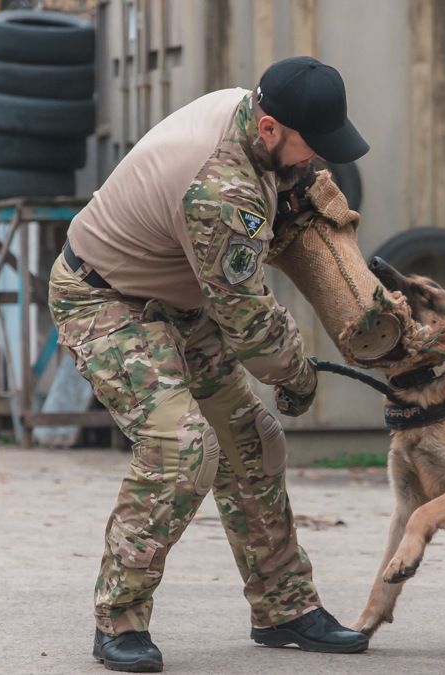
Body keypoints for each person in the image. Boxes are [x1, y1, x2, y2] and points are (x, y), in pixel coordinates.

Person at [48, 56, 371, 673]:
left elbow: (234, 286)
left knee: (253, 440)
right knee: (182, 447)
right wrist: (296, 376)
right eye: (309, 147)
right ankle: (119, 620)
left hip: (180, 300)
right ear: (271, 127)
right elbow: (248, 321)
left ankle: (284, 609)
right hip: (105, 299)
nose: (317, 161)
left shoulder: (247, 114)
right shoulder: (221, 190)